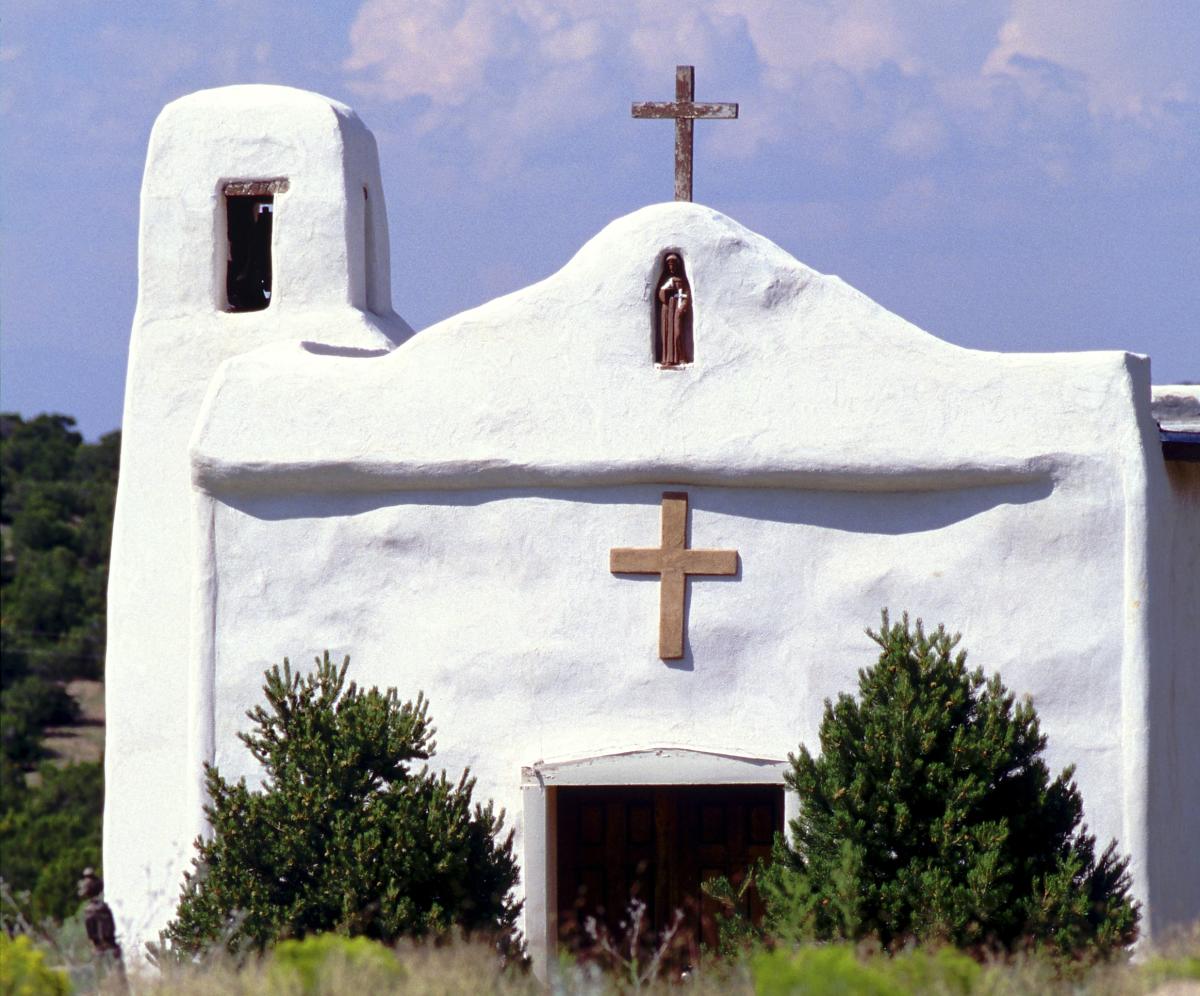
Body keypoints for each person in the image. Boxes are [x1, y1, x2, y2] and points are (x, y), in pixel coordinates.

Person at [657, 253, 691, 366]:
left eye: (673, 264)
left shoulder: (682, 280)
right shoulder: (665, 279)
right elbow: (660, 294)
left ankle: (681, 357)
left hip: (677, 308)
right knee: (666, 333)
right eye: (669, 265)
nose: (671, 267)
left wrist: (683, 306)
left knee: (677, 332)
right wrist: (665, 291)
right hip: (667, 309)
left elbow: (686, 293)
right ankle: (667, 359)